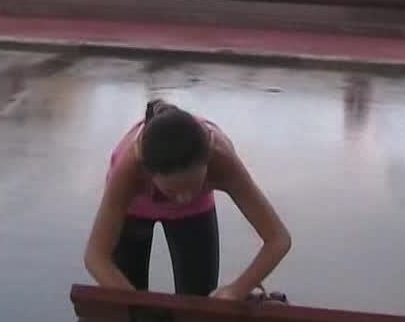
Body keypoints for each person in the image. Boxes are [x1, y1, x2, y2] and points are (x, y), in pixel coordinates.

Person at [83, 99, 291, 300]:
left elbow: (278, 239)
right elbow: (96, 257)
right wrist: (137, 307)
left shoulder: (221, 160)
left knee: (197, 299)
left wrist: (236, 290)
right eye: (173, 191)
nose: (184, 198)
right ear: (147, 172)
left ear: (207, 161)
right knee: (128, 295)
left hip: (195, 210)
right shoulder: (129, 170)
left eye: (193, 186)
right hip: (135, 207)